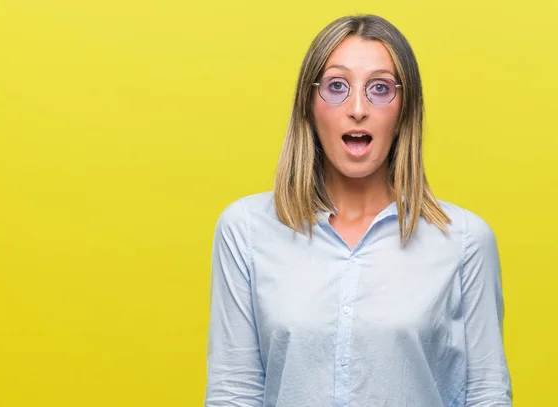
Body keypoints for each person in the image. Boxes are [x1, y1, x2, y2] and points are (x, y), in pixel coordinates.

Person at [204, 14, 512, 407]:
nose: (357, 108)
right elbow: (234, 392)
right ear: (309, 106)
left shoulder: (465, 241)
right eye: (336, 86)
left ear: (404, 111)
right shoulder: (245, 231)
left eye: (380, 88)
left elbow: (486, 394)